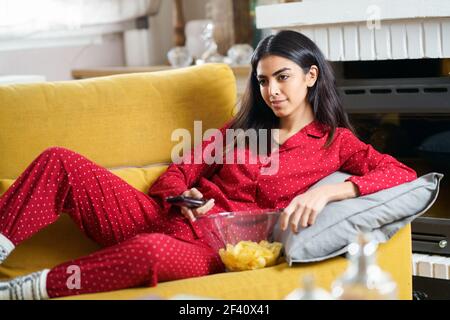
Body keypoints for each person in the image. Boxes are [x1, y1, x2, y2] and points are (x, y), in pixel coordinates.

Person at [0, 30, 417, 300]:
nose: (271, 90)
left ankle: (26, 290)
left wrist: (327, 191)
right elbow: (177, 173)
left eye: (282, 77)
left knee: (150, 252)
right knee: (60, 161)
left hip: (216, 250)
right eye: (262, 80)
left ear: (310, 77)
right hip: (164, 216)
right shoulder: (238, 129)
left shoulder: (335, 142)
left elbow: (402, 174)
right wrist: (184, 195)